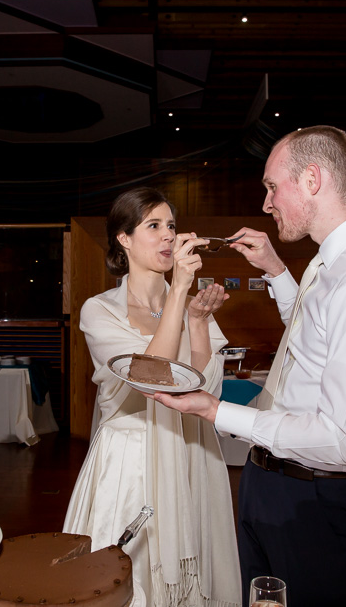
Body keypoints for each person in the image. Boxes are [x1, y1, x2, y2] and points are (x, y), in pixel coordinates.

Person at [154, 126, 346, 606]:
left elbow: (340, 441)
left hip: (314, 501)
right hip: (275, 479)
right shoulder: (334, 263)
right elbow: (313, 336)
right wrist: (276, 270)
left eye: (272, 186)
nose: (266, 202)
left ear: (313, 179)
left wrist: (214, 411)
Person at [63, 187, 241, 607]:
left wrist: (197, 321)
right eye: (154, 226)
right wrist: (179, 291)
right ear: (123, 239)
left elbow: (207, 385)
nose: (168, 237)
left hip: (192, 449)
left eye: (172, 226)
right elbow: (150, 377)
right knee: (127, 575)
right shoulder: (99, 310)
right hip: (131, 458)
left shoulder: (188, 303)